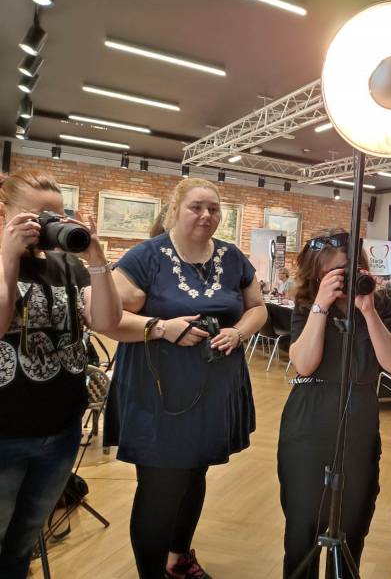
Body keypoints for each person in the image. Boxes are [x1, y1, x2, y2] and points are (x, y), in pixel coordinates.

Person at [103, 178, 267, 579]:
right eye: (196, 207)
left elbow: (258, 308)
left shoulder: (232, 257)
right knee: (160, 488)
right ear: (175, 208)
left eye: (213, 208)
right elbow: (105, 316)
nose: (206, 215)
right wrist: (161, 328)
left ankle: (178, 560)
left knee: (195, 474)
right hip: (160, 394)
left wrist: (239, 332)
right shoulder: (145, 257)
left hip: (214, 390)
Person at [0, 172, 122, 578]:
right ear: (4, 214)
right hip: (4, 433)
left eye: (57, 216)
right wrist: (7, 257)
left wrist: (97, 258)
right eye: (38, 216)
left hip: (61, 431)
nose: (48, 226)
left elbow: (106, 321)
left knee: (24, 539)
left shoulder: (67, 266)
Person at [278, 228, 391, 579]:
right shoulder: (307, 303)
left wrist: (368, 311)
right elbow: (304, 364)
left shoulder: (379, 304)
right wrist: (321, 305)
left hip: (359, 420)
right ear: (317, 273)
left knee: (353, 523)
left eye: (347, 270)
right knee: (302, 524)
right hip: (309, 420)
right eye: (333, 272)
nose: (342, 279)